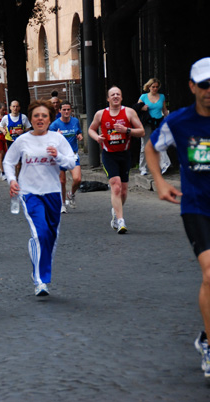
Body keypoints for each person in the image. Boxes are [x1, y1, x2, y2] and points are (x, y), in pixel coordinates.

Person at [145, 57, 210, 379]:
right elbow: (151, 148)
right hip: (197, 206)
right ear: (192, 87)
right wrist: (159, 181)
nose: (209, 91)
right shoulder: (180, 122)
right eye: (204, 85)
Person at [3, 99, 75, 296]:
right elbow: (8, 162)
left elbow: (71, 161)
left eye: (44, 116)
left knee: (51, 235)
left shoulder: (57, 139)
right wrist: (12, 180)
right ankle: (40, 281)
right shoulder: (22, 140)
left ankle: (36, 249)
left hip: (52, 192)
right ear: (31, 119)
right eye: (36, 116)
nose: (40, 119)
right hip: (29, 193)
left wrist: (58, 156)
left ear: (50, 118)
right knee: (41, 232)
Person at [88, 86, 145, 234]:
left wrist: (126, 130)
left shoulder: (129, 112)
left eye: (118, 94)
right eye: (112, 94)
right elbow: (91, 129)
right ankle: (120, 221)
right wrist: (97, 138)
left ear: (121, 97)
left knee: (124, 191)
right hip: (109, 155)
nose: (115, 96)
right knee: (116, 185)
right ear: (108, 99)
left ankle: (116, 211)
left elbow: (141, 131)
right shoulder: (101, 114)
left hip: (124, 154)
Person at [49, 102, 83, 213]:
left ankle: (71, 194)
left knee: (77, 179)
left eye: (68, 109)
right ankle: (62, 204)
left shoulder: (75, 121)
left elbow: (79, 132)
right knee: (62, 181)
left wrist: (79, 136)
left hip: (72, 154)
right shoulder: (54, 125)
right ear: (60, 111)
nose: (66, 112)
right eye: (64, 109)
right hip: (60, 155)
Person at [138, 78, 170, 175]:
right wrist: (142, 108)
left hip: (159, 122)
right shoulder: (143, 97)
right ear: (149, 87)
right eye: (153, 87)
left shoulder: (162, 97)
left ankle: (164, 165)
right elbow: (136, 109)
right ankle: (143, 168)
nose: (155, 89)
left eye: (156, 87)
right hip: (147, 123)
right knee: (145, 146)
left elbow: (164, 110)